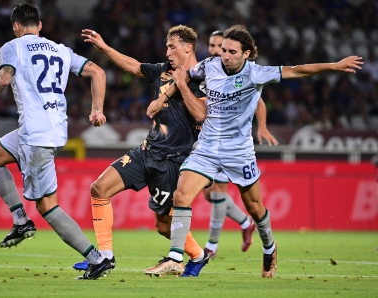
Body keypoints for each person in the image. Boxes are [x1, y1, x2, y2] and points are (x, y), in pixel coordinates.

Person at [144, 24, 363, 278]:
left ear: (246, 54)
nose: (225, 56)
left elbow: (297, 71)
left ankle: (270, 246)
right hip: (207, 147)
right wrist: (162, 98)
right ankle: (174, 257)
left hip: (239, 152)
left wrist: (333, 66)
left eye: (232, 52)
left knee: (256, 208)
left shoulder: (256, 74)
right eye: (223, 50)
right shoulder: (208, 65)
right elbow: (185, 77)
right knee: (181, 195)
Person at [0, 3, 112, 280]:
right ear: (39, 26)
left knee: (47, 206)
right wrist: (97, 109)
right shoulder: (61, 50)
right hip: (48, 128)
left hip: (36, 136)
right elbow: (98, 72)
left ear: (16, 26)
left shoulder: (12, 47)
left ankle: (96, 259)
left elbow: (3, 79)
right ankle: (20, 220)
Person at [73, 25, 210, 277]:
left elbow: (201, 113)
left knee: (163, 225)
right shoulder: (162, 70)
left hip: (172, 161)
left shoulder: (203, 78)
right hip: (145, 151)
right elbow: (134, 66)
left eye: (172, 46)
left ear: (188, 47)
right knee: (99, 188)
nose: (167, 51)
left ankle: (199, 256)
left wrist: (181, 86)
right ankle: (105, 256)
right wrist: (103, 47)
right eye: (167, 46)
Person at [201, 30, 279, 260]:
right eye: (214, 46)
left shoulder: (243, 73)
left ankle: (211, 245)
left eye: (222, 46)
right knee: (209, 194)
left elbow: (259, 101)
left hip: (231, 143)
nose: (217, 50)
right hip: (206, 138)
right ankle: (245, 222)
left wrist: (262, 126)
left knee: (217, 192)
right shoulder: (209, 68)